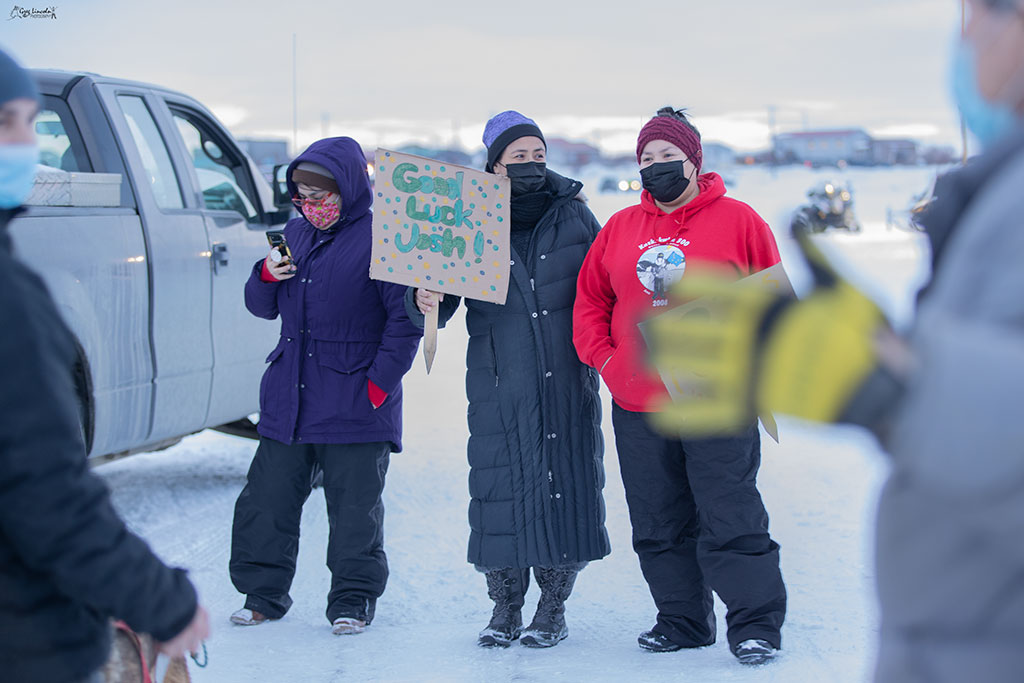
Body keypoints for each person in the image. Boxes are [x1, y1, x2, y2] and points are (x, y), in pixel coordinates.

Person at [643, 2, 1024, 679]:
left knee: (732, 513)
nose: (969, 31)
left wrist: (906, 388)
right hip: (969, 627)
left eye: (996, 10)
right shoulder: (999, 194)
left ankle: (753, 622)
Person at [0, 48, 209, 683]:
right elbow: (44, 492)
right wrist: (161, 602)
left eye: (33, 123)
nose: (27, 145)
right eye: (10, 121)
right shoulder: (12, 301)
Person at [572, 107, 787, 665]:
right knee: (658, 519)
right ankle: (682, 621)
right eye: (647, 159)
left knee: (730, 512)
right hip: (639, 402)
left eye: (668, 156)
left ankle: (754, 625)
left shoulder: (740, 221)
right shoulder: (620, 228)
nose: (657, 167)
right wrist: (610, 362)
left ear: (694, 161)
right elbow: (591, 303)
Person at [410, 111, 609, 648]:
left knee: (564, 486)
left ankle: (553, 607)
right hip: (500, 379)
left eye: (538, 155)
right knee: (501, 489)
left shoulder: (574, 217)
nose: (531, 165)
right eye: (518, 157)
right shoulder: (467, 220)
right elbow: (440, 302)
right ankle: (504, 607)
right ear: (494, 165)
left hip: (567, 377)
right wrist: (422, 297)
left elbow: (606, 287)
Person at [229, 137, 422, 636]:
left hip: (356, 399)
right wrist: (265, 275)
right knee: (265, 502)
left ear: (350, 187)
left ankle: (352, 601)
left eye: (321, 195)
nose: (310, 206)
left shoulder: (386, 238)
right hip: (288, 397)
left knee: (355, 511)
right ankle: (262, 595)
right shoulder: (292, 233)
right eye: (301, 196)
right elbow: (260, 305)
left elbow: (404, 323)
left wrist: (378, 387)